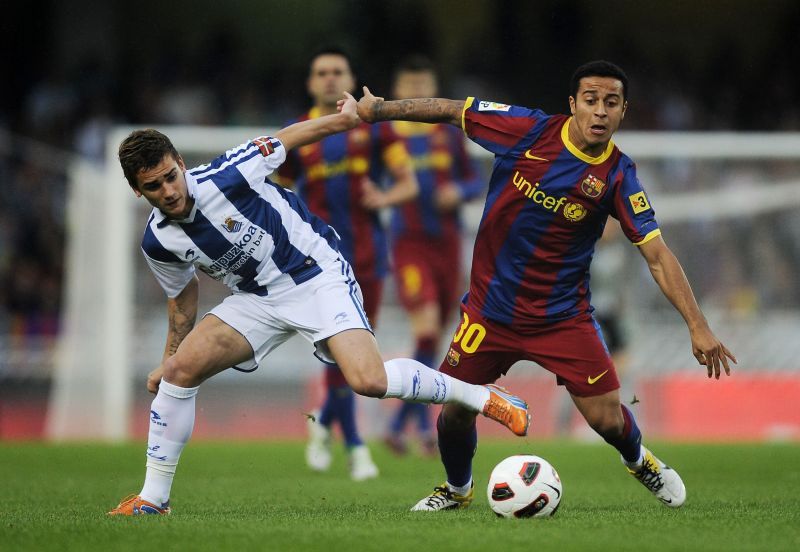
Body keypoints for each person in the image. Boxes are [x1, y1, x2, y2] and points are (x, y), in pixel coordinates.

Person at [107, 92, 530, 516]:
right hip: (257, 299)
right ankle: (153, 500)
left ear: (180, 163)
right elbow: (182, 301)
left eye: (169, 177)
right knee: (179, 375)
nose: (167, 191)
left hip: (315, 275)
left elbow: (287, 137)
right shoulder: (158, 241)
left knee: (368, 380)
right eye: (153, 186)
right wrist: (169, 360)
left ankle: (480, 396)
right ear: (136, 189)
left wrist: (345, 121)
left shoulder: (227, 175)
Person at [350, 60, 736, 511]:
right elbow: (451, 110)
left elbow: (657, 255)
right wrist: (379, 110)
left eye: (610, 103)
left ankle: (640, 460)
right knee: (453, 413)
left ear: (623, 111)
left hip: (562, 318)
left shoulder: (618, 175)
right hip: (489, 312)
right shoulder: (527, 130)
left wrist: (698, 325)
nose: (599, 112)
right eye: (590, 100)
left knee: (607, 419)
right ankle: (457, 490)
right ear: (572, 104)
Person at [276, 48, 418, 480]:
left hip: (369, 256)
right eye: (321, 72)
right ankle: (356, 446)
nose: (329, 78)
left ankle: (323, 421)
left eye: (337, 71)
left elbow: (408, 184)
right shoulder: (298, 134)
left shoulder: (372, 128)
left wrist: (385, 197)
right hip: (320, 262)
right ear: (310, 82)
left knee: (356, 353)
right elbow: (279, 198)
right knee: (340, 352)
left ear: (351, 77)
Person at [382, 57, 483, 456]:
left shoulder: (448, 135)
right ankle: (420, 423)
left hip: (448, 244)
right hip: (409, 244)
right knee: (425, 330)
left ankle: (400, 425)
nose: (416, 90)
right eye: (409, 84)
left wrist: (458, 192)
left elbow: (473, 179)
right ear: (398, 90)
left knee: (439, 336)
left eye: (423, 83)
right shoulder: (387, 135)